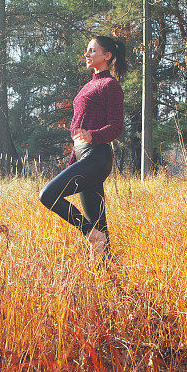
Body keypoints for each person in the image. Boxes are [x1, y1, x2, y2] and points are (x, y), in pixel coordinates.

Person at [39, 35, 127, 259]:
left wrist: (92, 135)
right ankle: (108, 280)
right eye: (87, 50)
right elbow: (79, 132)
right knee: (100, 225)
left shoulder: (110, 85)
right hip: (84, 158)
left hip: (97, 157)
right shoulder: (89, 85)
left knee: (47, 195)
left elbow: (116, 127)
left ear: (106, 56)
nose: (87, 54)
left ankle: (90, 233)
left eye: (92, 51)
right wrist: (73, 163)